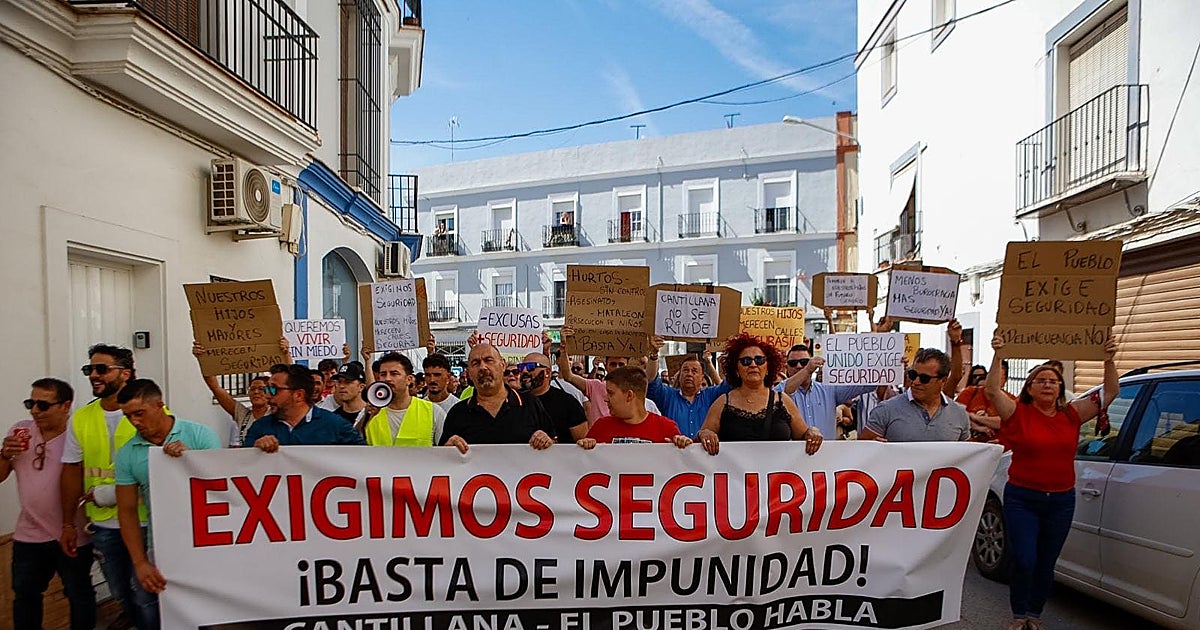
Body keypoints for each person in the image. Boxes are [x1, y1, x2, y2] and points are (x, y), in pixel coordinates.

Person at [986, 335, 1119, 630]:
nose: (1048, 384)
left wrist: (1108, 359)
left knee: (1047, 561)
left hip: (1060, 501)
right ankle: (1019, 614)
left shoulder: (1071, 415)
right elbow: (992, 390)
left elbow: (1110, 392)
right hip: (1023, 498)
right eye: (1041, 380)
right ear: (1030, 389)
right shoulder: (1017, 413)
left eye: (1054, 381)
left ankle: (1034, 614)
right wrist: (999, 354)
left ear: (1061, 389)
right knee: (1024, 558)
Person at [59, 343, 156, 629]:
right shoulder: (82, 418)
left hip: (144, 522)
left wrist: (110, 494)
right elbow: (71, 470)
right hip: (102, 525)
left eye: (102, 369)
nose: (93, 375)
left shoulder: (149, 412)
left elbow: (162, 470)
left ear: (125, 374)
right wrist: (68, 523)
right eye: (89, 369)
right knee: (121, 594)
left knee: (146, 595)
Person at [113, 379, 221, 626]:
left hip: (206, 545)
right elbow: (127, 510)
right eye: (128, 416)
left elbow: (221, 490)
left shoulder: (200, 435)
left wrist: (191, 461)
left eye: (139, 413)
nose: (135, 422)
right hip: (160, 548)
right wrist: (140, 562)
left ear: (160, 405)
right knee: (149, 608)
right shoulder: (128, 453)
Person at [2, 378, 94, 629]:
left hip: (71, 533)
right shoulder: (20, 431)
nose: (34, 411)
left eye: (43, 405)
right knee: (25, 596)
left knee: (78, 595)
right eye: (30, 403)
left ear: (66, 406)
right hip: (29, 534)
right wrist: (4, 454)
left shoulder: (77, 436)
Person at [696, 334, 822, 455]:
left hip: (778, 476)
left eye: (759, 360)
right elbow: (700, 439)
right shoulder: (722, 402)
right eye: (746, 361)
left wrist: (812, 432)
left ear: (768, 368)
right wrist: (705, 434)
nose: (753, 364)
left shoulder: (783, 401)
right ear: (736, 370)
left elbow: (804, 435)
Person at [440, 344, 555, 453]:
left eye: (489, 360)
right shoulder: (457, 413)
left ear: (503, 365)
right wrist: (447, 450)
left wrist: (546, 440)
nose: (483, 367)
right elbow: (440, 463)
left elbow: (555, 446)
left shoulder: (530, 404)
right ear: (469, 372)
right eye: (475, 363)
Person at [243, 364, 365, 450]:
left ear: (298, 395)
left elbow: (364, 461)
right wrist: (255, 450)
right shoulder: (259, 428)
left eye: (274, 389)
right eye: (267, 388)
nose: (268, 395)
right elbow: (242, 467)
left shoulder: (336, 426)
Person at [860, 348, 970, 442]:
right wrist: (872, 446)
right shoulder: (886, 410)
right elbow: (861, 450)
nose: (916, 382)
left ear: (943, 381)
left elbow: (968, 456)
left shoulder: (959, 414)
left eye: (924, 378)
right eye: (913, 375)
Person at [557, 327, 661, 425]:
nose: (617, 368)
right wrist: (563, 348)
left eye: (621, 364)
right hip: (600, 440)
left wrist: (654, 354)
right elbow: (568, 376)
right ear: (605, 365)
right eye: (613, 364)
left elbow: (649, 377)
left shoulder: (634, 390)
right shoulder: (594, 386)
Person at [578, 367, 691, 449]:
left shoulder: (667, 429)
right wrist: (586, 446)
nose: (606, 399)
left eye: (610, 393)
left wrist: (684, 446)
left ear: (629, 395)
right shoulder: (600, 427)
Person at [192, 341, 279, 446]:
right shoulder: (243, 414)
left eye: (261, 389)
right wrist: (203, 359)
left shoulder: (277, 413)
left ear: (270, 392)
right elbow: (216, 388)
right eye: (252, 389)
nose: (256, 392)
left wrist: (285, 353)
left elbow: (292, 384)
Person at [645, 340, 729, 439]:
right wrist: (654, 355)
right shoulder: (667, 396)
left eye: (694, 371)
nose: (689, 374)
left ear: (702, 377)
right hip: (673, 452)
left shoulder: (711, 396)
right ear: (679, 375)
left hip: (704, 453)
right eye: (685, 370)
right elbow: (651, 381)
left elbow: (728, 385)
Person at [362, 353, 446, 447]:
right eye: (383, 374)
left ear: (409, 379)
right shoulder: (370, 412)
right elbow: (354, 446)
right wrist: (365, 419)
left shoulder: (433, 411)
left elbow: (445, 450)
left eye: (394, 374)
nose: (387, 379)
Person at [519, 352, 588, 443]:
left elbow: (582, 441)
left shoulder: (568, 402)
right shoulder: (513, 400)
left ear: (547, 372)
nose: (524, 371)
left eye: (530, 367)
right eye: (521, 367)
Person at [957, 360, 1015, 441]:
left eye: (999, 378)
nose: (995, 382)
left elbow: (1004, 422)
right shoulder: (970, 392)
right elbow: (957, 414)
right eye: (993, 377)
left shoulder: (1011, 399)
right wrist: (977, 427)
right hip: (970, 445)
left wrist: (974, 417)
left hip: (996, 445)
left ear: (1005, 381)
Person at [317, 362, 370, 431]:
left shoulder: (373, 414)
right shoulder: (332, 418)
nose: (341, 386)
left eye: (348, 382)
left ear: (361, 387)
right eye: (339, 382)